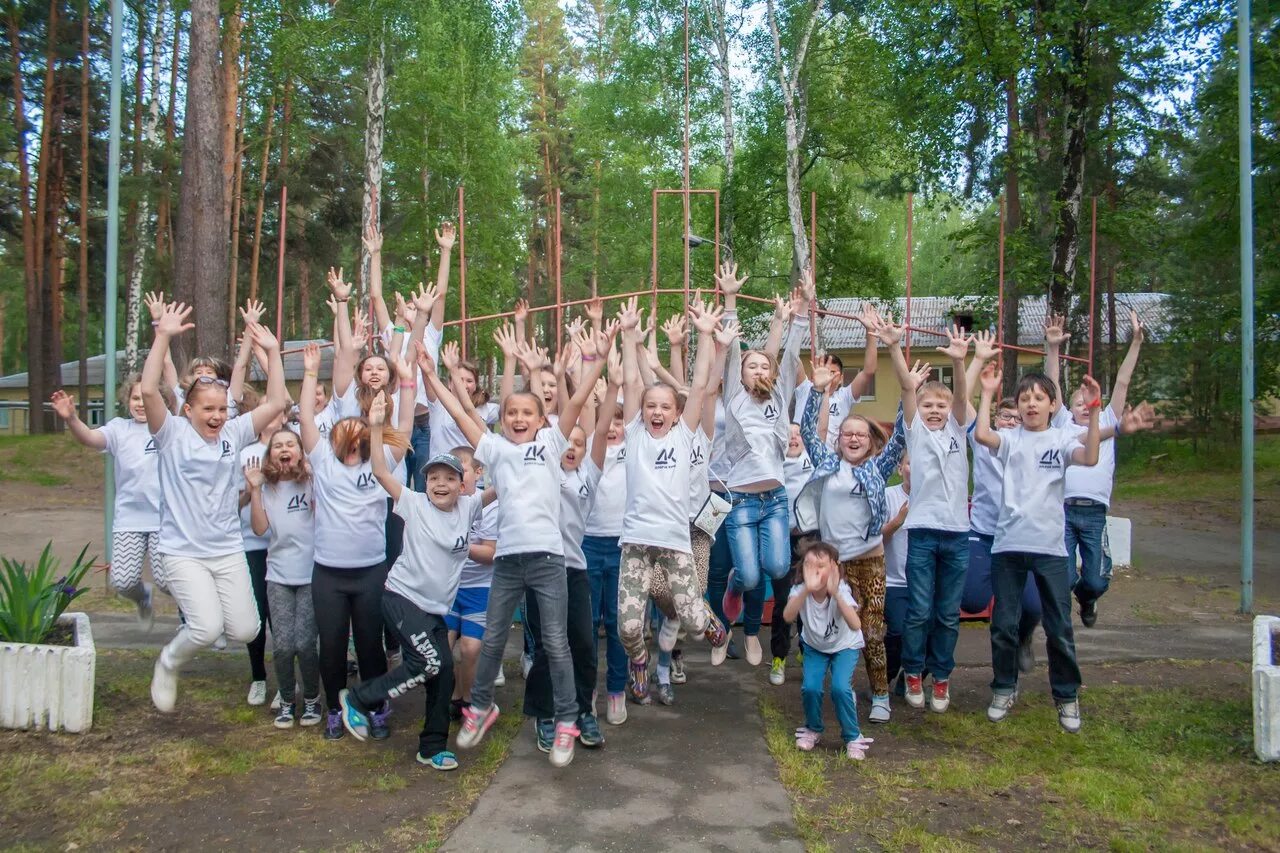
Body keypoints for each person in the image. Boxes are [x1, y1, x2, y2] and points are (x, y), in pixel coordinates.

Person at [443, 323, 608, 769]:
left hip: (549, 560)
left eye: (527, 413)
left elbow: (574, 402)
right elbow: (462, 415)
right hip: (509, 561)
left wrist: (599, 361)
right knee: (494, 638)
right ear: (503, 419)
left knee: (556, 641)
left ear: (541, 421)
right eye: (511, 412)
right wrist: (435, 377)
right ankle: (480, 708)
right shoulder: (496, 451)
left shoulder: (553, 444)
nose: (518, 418)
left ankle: (568, 721)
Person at [142, 302, 288, 713]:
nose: (218, 416)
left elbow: (277, 402)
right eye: (208, 409)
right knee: (205, 629)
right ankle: (168, 662)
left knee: (247, 627)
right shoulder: (170, 434)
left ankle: (190, 648)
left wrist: (273, 353)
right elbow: (150, 389)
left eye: (223, 409)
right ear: (188, 409)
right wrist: (163, 336)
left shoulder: (234, 433)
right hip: (182, 550)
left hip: (226, 548)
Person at [339, 394, 485, 770]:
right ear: (426, 483)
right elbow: (381, 472)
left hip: (436, 608)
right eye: (433, 477)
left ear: (462, 484)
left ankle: (432, 746)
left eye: (449, 478)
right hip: (402, 598)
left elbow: (507, 477)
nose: (440, 484)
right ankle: (359, 699)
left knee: (443, 671)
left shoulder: (470, 506)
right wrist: (375, 428)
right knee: (427, 661)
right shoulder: (414, 503)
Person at [973, 362, 1102, 733]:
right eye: (1024, 398)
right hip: (1008, 546)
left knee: (1060, 627)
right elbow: (983, 434)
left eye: (1039, 398)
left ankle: (1066, 696)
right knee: (1003, 625)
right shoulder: (1011, 438)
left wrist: (1093, 410)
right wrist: (986, 392)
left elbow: (1090, 457)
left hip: (1050, 550)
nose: (1031, 404)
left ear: (1051, 405)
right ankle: (1003, 687)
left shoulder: (1061, 438)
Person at [296, 341, 415, 740]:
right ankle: (334, 708)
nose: (350, 430)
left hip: (369, 573)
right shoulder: (322, 462)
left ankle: (375, 706)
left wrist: (407, 383)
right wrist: (311, 372)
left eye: (358, 427)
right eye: (343, 426)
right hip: (328, 574)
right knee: (330, 646)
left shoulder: (382, 466)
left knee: (370, 646)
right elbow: (307, 421)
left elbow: (408, 426)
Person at [614, 295, 730, 705]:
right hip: (637, 547)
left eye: (665, 406)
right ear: (642, 412)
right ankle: (640, 663)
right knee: (628, 628)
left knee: (695, 622)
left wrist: (703, 335)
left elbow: (699, 386)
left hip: (677, 544)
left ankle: (714, 624)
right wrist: (629, 335)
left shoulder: (684, 436)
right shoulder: (633, 434)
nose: (657, 411)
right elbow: (630, 382)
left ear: (677, 414)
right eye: (651, 406)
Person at [795, 355, 915, 724]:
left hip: (870, 561)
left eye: (860, 434)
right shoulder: (825, 464)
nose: (853, 438)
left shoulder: (876, 469)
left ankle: (880, 694)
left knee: (872, 630)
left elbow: (903, 435)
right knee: (829, 626)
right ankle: (837, 687)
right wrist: (817, 392)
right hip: (834, 565)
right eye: (847, 433)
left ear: (870, 441)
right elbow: (807, 428)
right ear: (840, 439)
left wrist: (907, 391)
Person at [525, 348, 619, 749]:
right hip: (539, 571)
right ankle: (546, 714)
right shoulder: (540, 464)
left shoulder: (589, 476)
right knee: (549, 644)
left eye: (579, 443)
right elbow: (551, 418)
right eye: (567, 441)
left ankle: (583, 711)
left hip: (574, 570)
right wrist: (540, 372)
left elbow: (598, 430)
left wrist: (613, 384)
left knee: (583, 642)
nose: (572, 446)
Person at [717, 262, 810, 666]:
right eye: (751, 365)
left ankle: (744, 592)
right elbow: (736, 348)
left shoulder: (777, 397)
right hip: (739, 499)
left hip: (774, 497)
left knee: (777, 567)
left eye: (763, 365)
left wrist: (799, 312)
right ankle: (735, 587)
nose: (758, 368)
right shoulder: (734, 396)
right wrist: (730, 298)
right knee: (750, 576)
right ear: (740, 374)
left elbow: (787, 354)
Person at [878, 321, 974, 714]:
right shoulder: (916, 432)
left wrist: (959, 362)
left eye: (941, 406)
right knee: (919, 610)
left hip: (955, 535)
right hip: (921, 533)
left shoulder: (958, 430)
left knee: (948, 613)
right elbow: (905, 388)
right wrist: (895, 346)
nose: (934, 411)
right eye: (928, 405)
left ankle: (942, 675)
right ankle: (913, 672)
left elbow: (964, 395)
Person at [51, 378, 174, 628]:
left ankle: (199, 617)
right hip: (129, 519)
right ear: (127, 401)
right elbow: (90, 438)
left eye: (146, 398)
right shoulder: (119, 429)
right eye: (135, 398)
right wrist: (71, 419)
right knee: (122, 582)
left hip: (166, 519)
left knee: (168, 581)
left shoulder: (169, 428)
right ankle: (143, 597)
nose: (140, 404)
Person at [1051, 310, 1145, 628]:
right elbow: (1052, 385)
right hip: (1063, 510)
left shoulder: (1105, 420)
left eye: (1086, 403)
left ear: (1096, 405)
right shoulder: (1062, 423)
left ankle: (1088, 599)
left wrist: (1135, 342)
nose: (1081, 407)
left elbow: (1122, 381)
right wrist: (1052, 348)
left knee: (1095, 579)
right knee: (1061, 577)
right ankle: (1062, 617)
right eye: (1076, 403)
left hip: (1094, 514)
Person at [244, 431, 322, 729]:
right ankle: (288, 701)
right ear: (270, 455)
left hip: (311, 575)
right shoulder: (266, 488)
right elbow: (260, 528)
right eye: (278, 446)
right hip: (278, 575)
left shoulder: (313, 482)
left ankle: (313, 699)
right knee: (283, 646)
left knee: (305, 644)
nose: (284, 449)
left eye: (291, 444)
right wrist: (253, 490)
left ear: (301, 452)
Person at [785, 541, 874, 760]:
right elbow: (788, 616)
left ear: (834, 568)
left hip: (845, 646)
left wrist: (835, 593)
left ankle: (853, 736)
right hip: (815, 647)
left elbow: (855, 625)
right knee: (811, 688)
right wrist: (807, 589)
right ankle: (813, 728)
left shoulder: (841, 590)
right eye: (808, 565)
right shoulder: (798, 590)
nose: (814, 570)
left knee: (840, 688)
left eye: (821, 565)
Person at [446, 445, 499, 719]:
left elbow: (490, 553)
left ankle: (468, 699)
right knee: (441, 647)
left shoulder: (488, 507)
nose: (453, 477)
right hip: (448, 588)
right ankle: (453, 692)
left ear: (478, 473)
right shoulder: (442, 502)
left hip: (479, 589)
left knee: (470, 647)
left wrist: (456, 545)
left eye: (460, 470)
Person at [769, 423, 815, 686]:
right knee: (784, 600)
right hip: (781, 539)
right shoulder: (773, 465)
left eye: (798, 433)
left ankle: (808, 651)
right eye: (788, 435)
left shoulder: (814, 461)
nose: (794, 438)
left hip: (809, 538)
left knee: (810, 598)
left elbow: (817, 428)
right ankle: (779, 657)